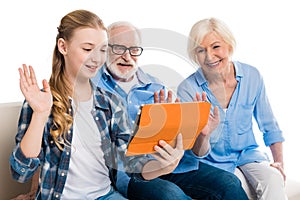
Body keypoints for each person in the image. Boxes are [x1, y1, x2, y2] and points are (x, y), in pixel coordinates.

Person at [9, 10, 184, 200]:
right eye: (87, 49)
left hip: (105, 196)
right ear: (63, 46)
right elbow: (21, 172)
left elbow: (132, 166)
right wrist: (41, 115)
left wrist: (164, 166)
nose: (97, 59)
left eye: (102, 50)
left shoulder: (111, 103)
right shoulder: (41, 101)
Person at [93, 21, 248, 200]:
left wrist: (199, 132)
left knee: (229, 182)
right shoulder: (95, 86)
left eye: (134, 49)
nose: (127, 56)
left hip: (174, 162)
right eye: (119, 48)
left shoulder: (155, 84)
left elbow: (186, 145)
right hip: (133, 172)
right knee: (171, 195)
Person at [177, 17, 287, 200]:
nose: (210, 56)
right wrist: (204, 134)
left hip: (249, 155)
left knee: (274, 179)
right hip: (212, 162)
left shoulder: (252, 76)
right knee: (234, 187)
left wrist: (279, 163)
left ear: (229, 45)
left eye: (215, 47)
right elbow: (196, 151)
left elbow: (269, 126)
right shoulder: (188, 89)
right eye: (201, 50)